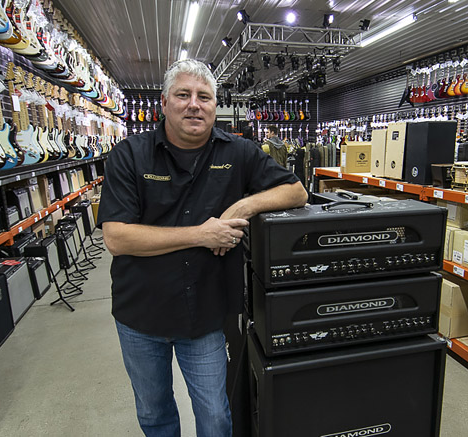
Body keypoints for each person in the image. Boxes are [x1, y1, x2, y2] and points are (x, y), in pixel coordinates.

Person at [97, 59, 308, 437]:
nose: (194, 104)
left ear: (214, 106)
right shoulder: (129, 155)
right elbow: (117, 237)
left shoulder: (238, 152)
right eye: (183, 95)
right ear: (164, 103)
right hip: (140, 314)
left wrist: (245, 205)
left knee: (215, 415)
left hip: (206, 315)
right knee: (155, 412)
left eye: (204, 97)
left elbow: (296, 191)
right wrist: (200, 234)